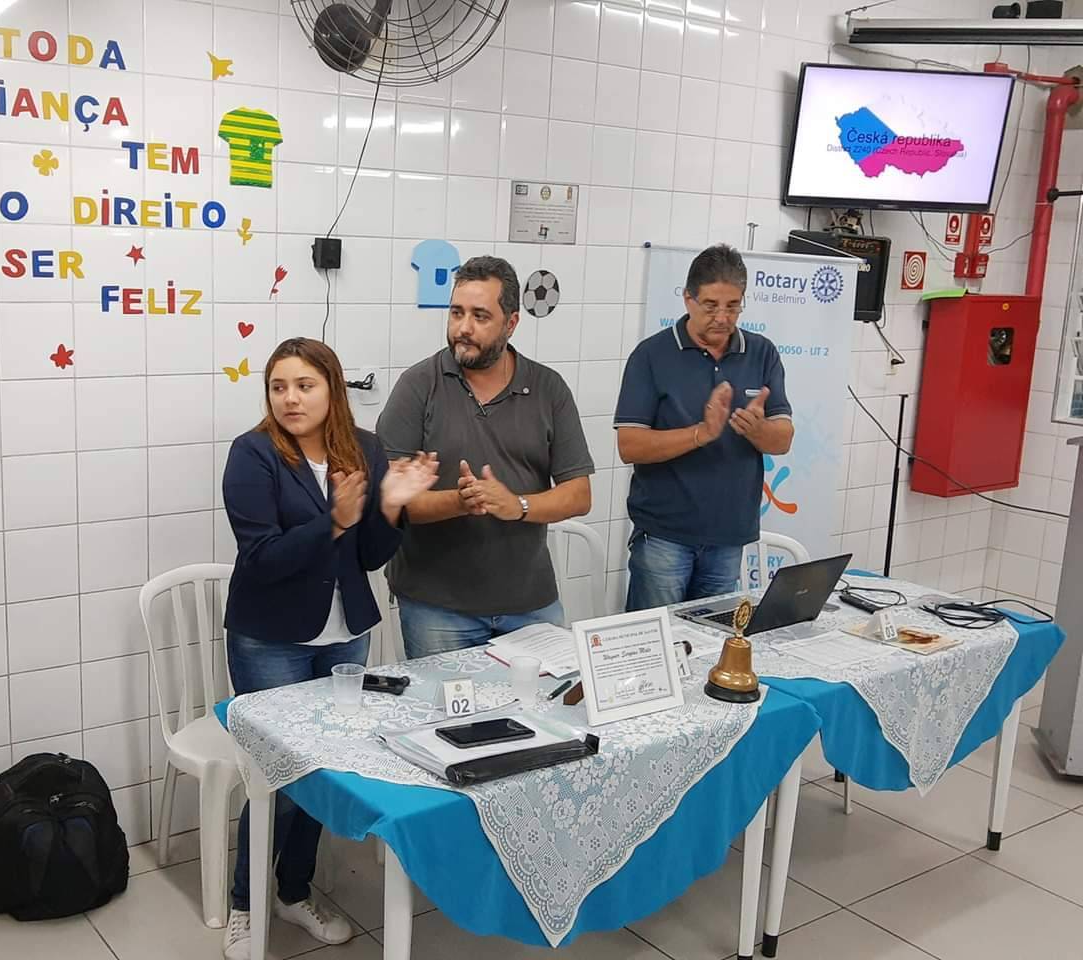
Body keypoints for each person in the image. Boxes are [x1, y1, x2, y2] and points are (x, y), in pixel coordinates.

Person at [220, 338, 437, 960]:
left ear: (333, 389)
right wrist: (335, 520)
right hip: (271, 638)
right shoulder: (253, 454)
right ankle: (245, 903)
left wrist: (389, 507)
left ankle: (293, 891)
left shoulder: (363, 448)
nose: (290, 398)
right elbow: (262, 558)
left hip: (345, 633)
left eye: (304, 385)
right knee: (277, 775)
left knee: (323, 769)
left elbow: (368, 557)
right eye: (278, 386)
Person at [376, 255, 594, 658]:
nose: (463, 328)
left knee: (546, 699)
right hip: (435, 607)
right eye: (456, 312)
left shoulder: (549, 388)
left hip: (530, 604)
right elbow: (389, 501)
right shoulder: (418, 386)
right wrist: (459, 502)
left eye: (480, 316)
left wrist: (518, 505)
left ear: (511, 323)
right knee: (442, 702)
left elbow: (579, 494)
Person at [614, 244, 794, 610]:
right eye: (710, 306)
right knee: (659, 639)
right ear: (688, 299)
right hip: (664, 536)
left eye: (733, 306)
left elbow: (783, 440)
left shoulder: (762, 353)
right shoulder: (651, 355)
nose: (722, 318)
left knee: (713, 640)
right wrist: (701, 433)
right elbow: (630, 446)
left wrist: (756, 430)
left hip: (729, 537)